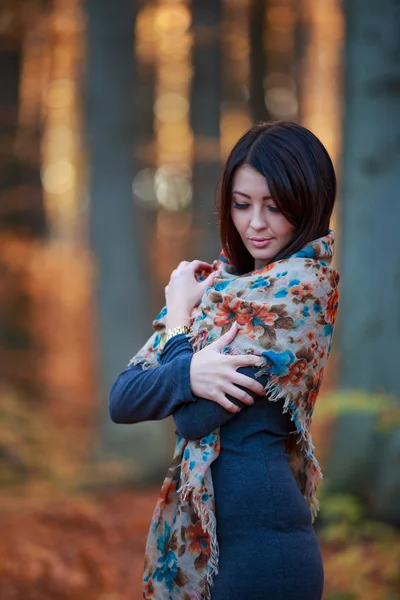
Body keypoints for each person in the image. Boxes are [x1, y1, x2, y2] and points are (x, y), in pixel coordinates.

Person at [109, 121, 339, 600]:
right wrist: (185, 343)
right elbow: (123, 397)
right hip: (207, 551)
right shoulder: (213, 290)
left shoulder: (299, 291)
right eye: (242, 204)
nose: (256, 223)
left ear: (310, 202)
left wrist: (177, 328)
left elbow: (196, 417)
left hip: (265, 557)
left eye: (275, 206)